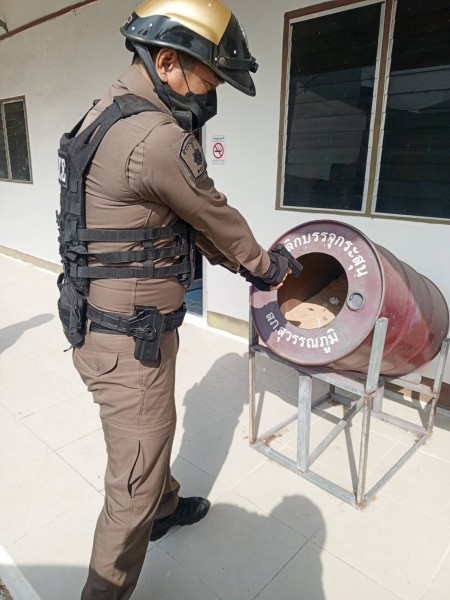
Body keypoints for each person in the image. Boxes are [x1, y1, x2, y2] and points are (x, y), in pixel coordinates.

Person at [63, 1, 289, 598]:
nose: (209, 96)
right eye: (208, 80)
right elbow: (212, 215)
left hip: (113, 323)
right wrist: (266, 268)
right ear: (167, 62)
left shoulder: (107, 110)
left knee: (154, 429)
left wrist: (239, 265)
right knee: (132, 483)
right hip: (127, 339)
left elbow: (175, 223)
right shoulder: (156, 138)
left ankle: (163, 509)